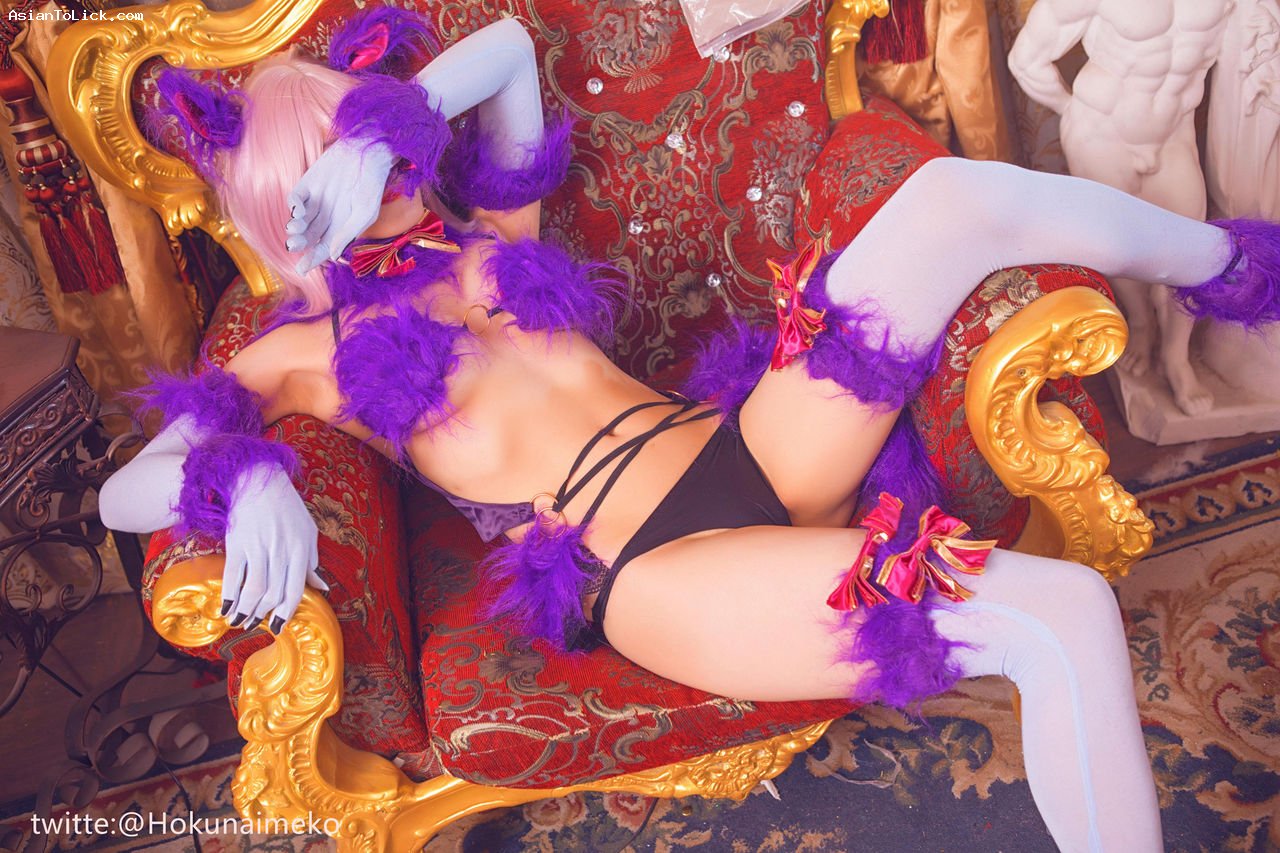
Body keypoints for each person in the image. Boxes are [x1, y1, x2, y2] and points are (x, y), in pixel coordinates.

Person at [100, 10, 1280, 852]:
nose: (385, 171)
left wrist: (384, 128)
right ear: (286, 200)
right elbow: (125, 493)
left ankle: (1234, 269)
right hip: (662, 569)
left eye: (379, 140)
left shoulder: (482, 234)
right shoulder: (297, 353)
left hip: (757, 445)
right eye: (338, 161)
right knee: (1060, 613)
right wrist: (246, 478)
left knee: (948, 200)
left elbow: (505, 50)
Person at [1008, 0, 1232, 417]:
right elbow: (1026, 60)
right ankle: (1141, 326)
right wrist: (1072, 110)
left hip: (1173, 139)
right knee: (1119, 251)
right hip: (1102, 134)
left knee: (1196, 254)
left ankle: (1176, 358)